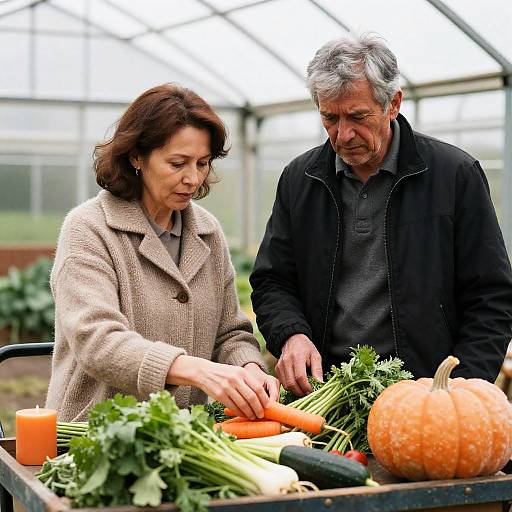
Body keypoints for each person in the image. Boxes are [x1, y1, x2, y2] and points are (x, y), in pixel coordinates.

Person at [250, 33, 512, 397]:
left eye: (358, 116)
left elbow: (491, 296)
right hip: (327, 393)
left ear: (393, 104)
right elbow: (273, 280)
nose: (342, 135)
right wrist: (291, 334)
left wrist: (458, 390)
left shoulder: (454, 175)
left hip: (426, 395)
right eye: (329, 118)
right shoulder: (300, 179)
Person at [46, 83, 279, 421]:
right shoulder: (89, 228)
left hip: (187, 437)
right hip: (94, 435)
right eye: (177, 163)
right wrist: (193, 369)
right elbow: (96, 340)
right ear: (136, 156)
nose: (193, 179)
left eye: (202, 163)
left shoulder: (207, 232)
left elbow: (230, 332)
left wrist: (248, 367)